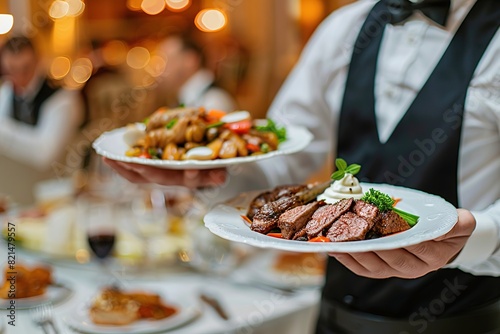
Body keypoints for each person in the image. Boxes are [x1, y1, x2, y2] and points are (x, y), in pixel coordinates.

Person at [106, 0, 500, 333]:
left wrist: (482, 236)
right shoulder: (345, 29)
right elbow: (284, 165)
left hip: (463, 319)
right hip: (333, 316)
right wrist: (210, 173)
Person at [0, 36, 83, 204]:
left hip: (56, 192)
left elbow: (45, 154)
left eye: (25, 69)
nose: (18, 77)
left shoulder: (63, 99)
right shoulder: (6, 92)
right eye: (11, 70)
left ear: (38, 61)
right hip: (15, 191)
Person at [155, 34, 237, 112]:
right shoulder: (183, 99)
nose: (162, 69)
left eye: (169, 60)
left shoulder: (214, 101)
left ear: (190, 60)